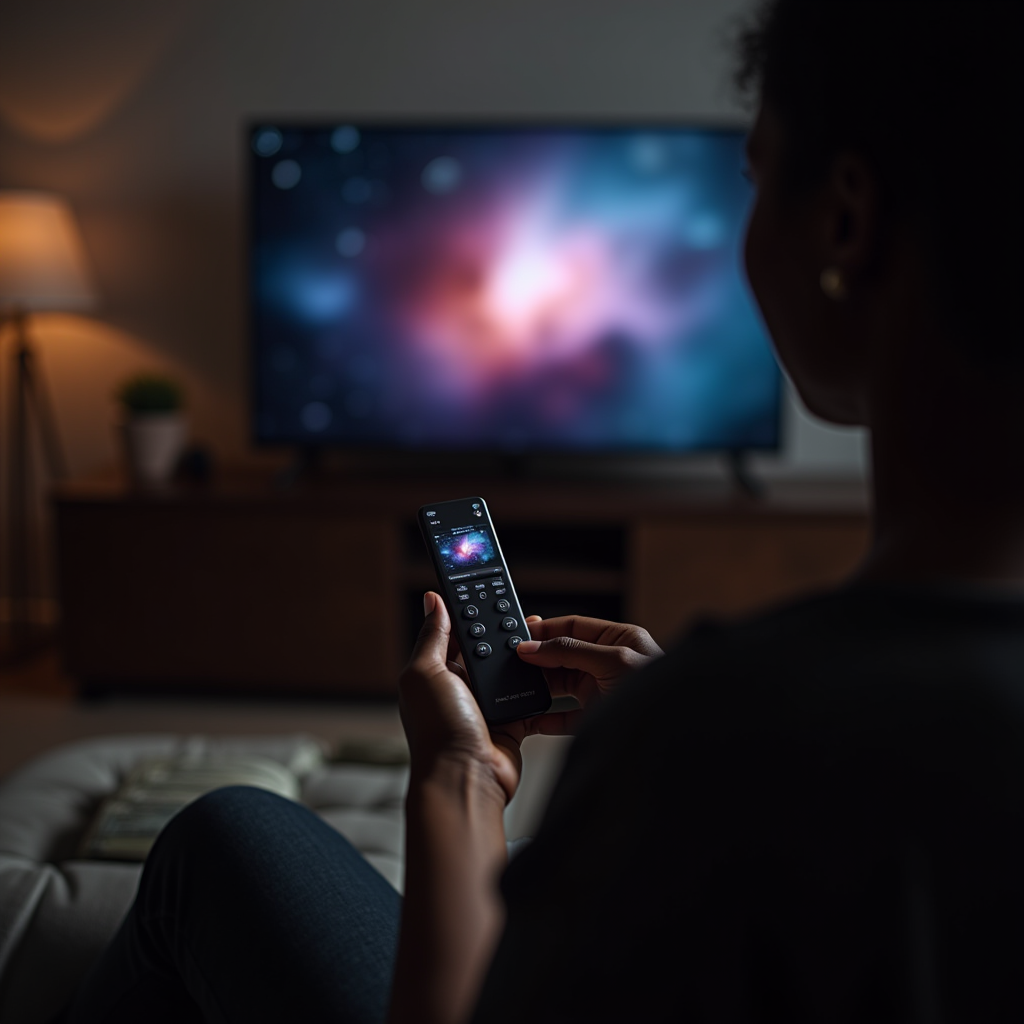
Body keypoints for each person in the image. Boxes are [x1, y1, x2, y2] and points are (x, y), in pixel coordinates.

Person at [69, 1, 1023, 1021]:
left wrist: (460, 775)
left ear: (845, 218)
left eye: (750, 178)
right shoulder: (721, 733)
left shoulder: (729, 728)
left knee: (223, 837)